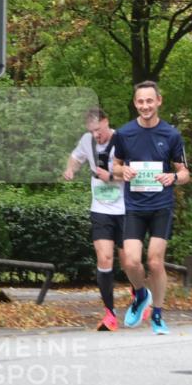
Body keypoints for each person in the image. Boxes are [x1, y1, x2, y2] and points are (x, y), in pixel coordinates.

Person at [111, 81, 191, 335]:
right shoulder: (124, 133)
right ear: (135, 103)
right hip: (134, 206)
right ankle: (141, 294)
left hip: (161, 206)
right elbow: (114, 166)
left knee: (155, 262)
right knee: (131, 261)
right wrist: (122, 170)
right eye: (140, 101)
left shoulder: (171, 135)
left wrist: (173, 178)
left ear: (158, 101)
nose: (145, 106)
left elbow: (185, 172)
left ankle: (157, 314)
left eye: (149, 101)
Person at [63, 107, 126, 331]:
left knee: (129, 262)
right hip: (100, 209)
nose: (96, 135)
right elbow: (75, 157)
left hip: (125, 208)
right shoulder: (87, 141)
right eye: (92, 131)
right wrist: (70, 169)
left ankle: (140, 295)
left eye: (99, 130)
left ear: (107, 122)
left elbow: (132, 170)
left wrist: (111, 175)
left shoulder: (122, 140)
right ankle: (110, 313)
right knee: (104, 257)